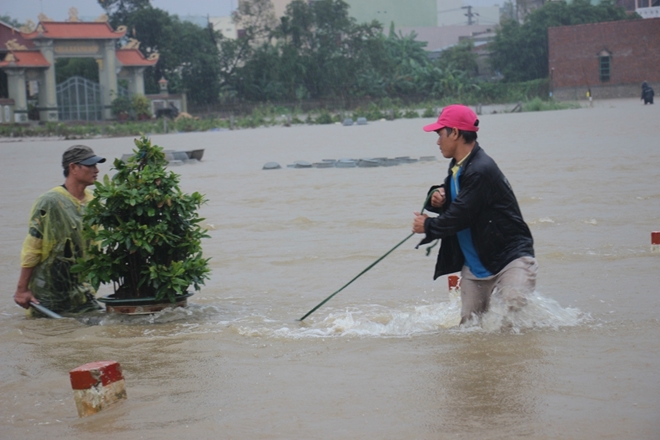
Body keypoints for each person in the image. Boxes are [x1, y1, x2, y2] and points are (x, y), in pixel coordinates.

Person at [412, 105, 537, 325]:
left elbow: (461, 214)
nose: (437, 141)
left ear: (456, 133)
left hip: (510, 257)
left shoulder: (481, 168)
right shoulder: (458, 167)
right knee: (470, 328)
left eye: (440, 133)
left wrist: (428, 226)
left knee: (512, 307)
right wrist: (437, 196)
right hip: (475, 264)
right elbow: (461, 199)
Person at [13, 145, 106, 316]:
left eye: (96, 165)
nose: (96, 170)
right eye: (90, 165)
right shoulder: (50, 201)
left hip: (82, 291)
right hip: (49, 294)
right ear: (73, 168)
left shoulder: (94, 201)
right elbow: (33, 246)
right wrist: (22, 290)